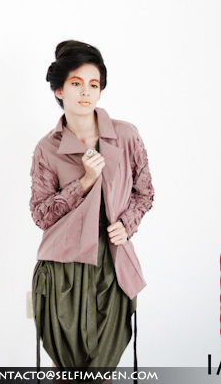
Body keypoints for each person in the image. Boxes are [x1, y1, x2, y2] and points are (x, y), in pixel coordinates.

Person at [30, 40, 154, 376]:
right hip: (62, 271)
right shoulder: (47, 148)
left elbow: (144, 192)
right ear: (59, 90)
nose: (86, 92)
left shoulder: (126, 135)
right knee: (66, 374)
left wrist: (127, 224)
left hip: (113, 265)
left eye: (94, 84)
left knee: (103, 372)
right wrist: (84, 182)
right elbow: (40, 214)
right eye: (76, 83)